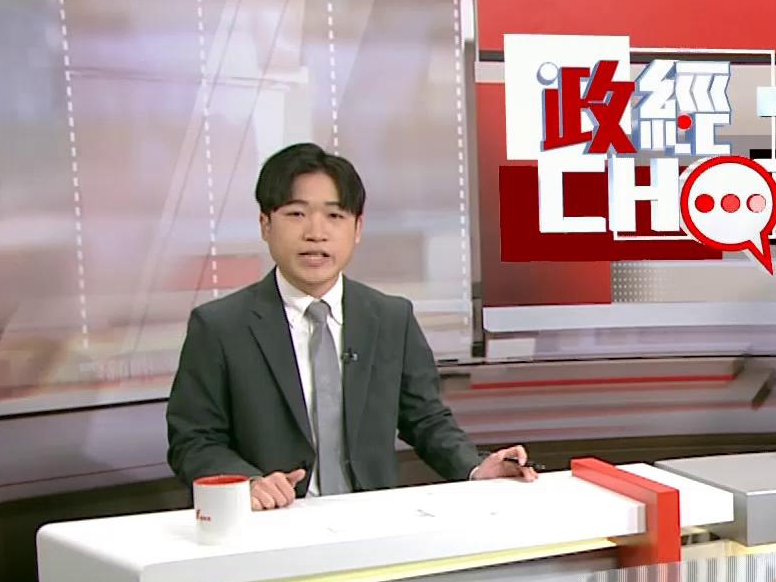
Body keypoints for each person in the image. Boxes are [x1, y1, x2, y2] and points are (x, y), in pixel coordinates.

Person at [167, 143, 535, 509]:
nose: (316, 233)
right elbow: (193, 441)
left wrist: (474, 467)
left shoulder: (390, 318)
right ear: (266, 224)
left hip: (370, 520)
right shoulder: (220, 327)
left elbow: (426, 420)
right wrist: (248, 484)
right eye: (296, 214)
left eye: (335, 215)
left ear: (357, 228)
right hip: (272, 522)